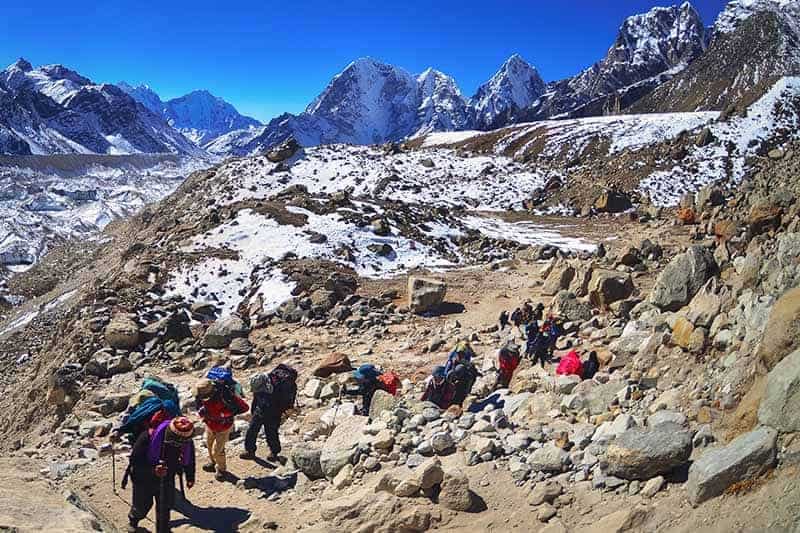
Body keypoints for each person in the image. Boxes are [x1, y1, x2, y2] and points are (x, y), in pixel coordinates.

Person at [126, 416, 196, 533]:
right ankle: (134, 520)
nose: (178, 444)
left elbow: (190, 458)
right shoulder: (147, 437)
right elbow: (135, 461)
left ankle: (163, 530)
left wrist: (190, 476)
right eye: (176, 441)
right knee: (142, 505)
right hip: (143, 478)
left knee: (165, 507)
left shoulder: (186, 440)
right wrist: (153, 470)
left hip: (167, 477)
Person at [241, 365, 298, 462]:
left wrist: (283, 412)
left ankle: (274, 452)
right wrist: (254, 411)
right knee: (254, 430)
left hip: (273, 411)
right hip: (263, 410)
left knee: (268, 432)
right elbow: (256, 398)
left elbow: (283, 401)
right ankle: (251, 451)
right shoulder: (262, 383)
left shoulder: (277, 386)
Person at [196, 377, 249, 481]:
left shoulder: (225, 395)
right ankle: (213, 462)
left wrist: (225, 414)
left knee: (218, 450)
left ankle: (221, 469)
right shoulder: (201, 395)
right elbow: (200, 407)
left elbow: (244, 407)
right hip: (210, 424)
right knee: (209, 445)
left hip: (224, 427)